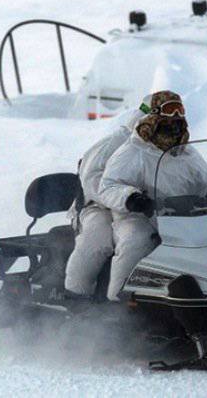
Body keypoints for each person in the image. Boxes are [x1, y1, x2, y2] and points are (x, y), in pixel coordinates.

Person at [98, 91, 207, 301]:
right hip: (138, 215)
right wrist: (132, 199)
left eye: (180, 110)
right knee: (136, 241)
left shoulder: (186, 151)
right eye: (169, 110)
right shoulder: (134, 150)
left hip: (183, 215)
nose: (176, 117)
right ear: (155, 114)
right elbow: (107, 186)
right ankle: (119, 299)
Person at [63, 105, 147, 298]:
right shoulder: (113, 143)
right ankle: (77, 292)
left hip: (136, 207)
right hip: (97, 205)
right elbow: (91, 181)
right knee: (98, 235)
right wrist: (126, 198)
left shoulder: (166, 147)